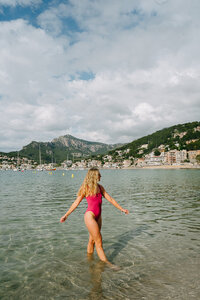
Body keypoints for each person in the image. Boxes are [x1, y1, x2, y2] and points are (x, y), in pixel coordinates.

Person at [60, 167, 129, 265]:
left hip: (98, 217)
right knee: (99, 241)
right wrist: (66, 215)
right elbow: (76, 203)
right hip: (90, 216)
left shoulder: (100, 188)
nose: (101, 176)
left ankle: (89, 259)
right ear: (94, 176)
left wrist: (121, 209)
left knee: (92, 240)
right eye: (99, 174)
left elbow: (111, 199)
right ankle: (107, 264)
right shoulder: (86, 188)